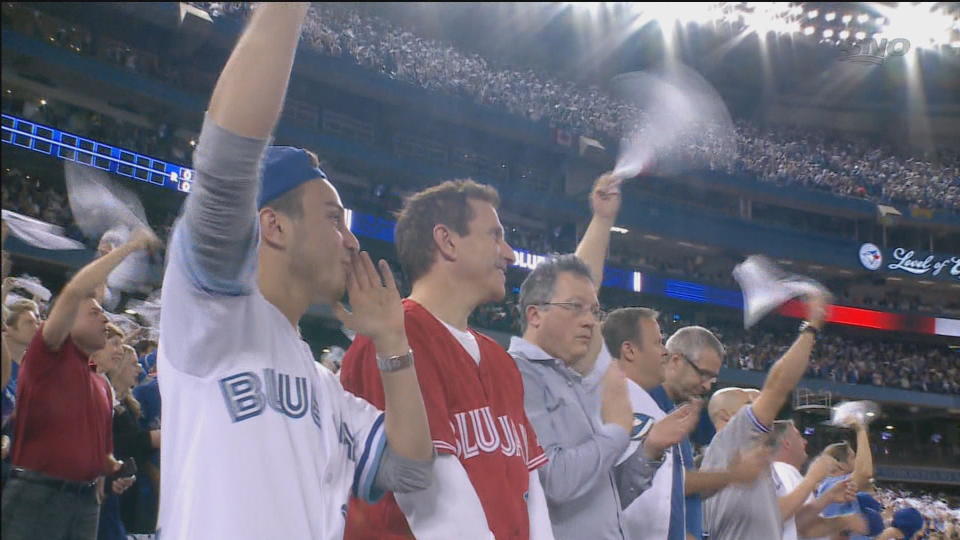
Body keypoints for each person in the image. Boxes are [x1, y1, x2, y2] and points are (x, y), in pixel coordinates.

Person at [156, 4, 433, 539]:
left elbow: (413, 471)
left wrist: (393, 343)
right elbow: (225, 163)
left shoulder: (322, 384)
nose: (352, 241)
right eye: (334, 219)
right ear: (274, 226)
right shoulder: (210, 310)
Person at [340, 179, 550, 539]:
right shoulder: (393, 337)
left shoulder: (500, 360)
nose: (510, 254)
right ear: (447, 241)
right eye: (494, 236)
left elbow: (529, 487)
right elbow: (430, 502)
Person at [510, 174, 691, 539]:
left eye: (593, 311)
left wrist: (649, 451)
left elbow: (605, 495)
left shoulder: (571, 380)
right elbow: (557, 482)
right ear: (534, 314)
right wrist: (616, 431)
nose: (589, 321)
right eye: (575, 308)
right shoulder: (518, 374)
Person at [1, 228, 157, 540]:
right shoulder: (49, 355)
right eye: (95, 313)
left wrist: (113, 470)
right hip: (38, 496)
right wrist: (130, 247)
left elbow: (102, 454)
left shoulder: (100, 385)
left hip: (87, 502)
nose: (104, 319)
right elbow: (75, 292)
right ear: (66, 321)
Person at [701, 290, 831, 540]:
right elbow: (778, 385)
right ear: (727, 417)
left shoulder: (740, 459)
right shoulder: (731, 440)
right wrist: (811, 326)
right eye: (750, 400)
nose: (759, 402)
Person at [601, 309, 706, 540]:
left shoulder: (654, 407)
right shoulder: (604, 399)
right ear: (629, 350)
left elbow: (661, 498)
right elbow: (608, 495)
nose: (665, 352)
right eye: (658, 342)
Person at [770, 420, 875, 540]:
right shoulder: (779, 470)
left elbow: (801, 526)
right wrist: (812, 478)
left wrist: (840, 516)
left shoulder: (791, 474)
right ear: (787, 443)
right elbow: (775, 515)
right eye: (798, 437)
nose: (805, 441)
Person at [99, 345, 153, 540]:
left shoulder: (127, 405)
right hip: (105, 491)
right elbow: (125, 443)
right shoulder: (102, 399)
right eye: (133, 364)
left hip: (124, 489)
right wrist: (155, 438)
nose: (139, 369)